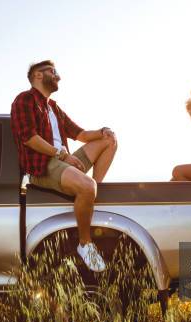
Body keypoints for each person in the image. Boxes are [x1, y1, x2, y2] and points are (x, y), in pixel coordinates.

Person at [11, 60, 118, 272]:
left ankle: (88, 194)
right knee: (87, 187)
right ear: (38, 75)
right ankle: (85, 244)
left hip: (63, 162)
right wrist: (61, 154)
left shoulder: (53, 107)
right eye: (53, 71)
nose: (58, 75)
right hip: (43, 166)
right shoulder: (25, 100)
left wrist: (103, 130)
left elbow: (81, 135)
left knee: (109, 141)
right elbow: (29, 138)